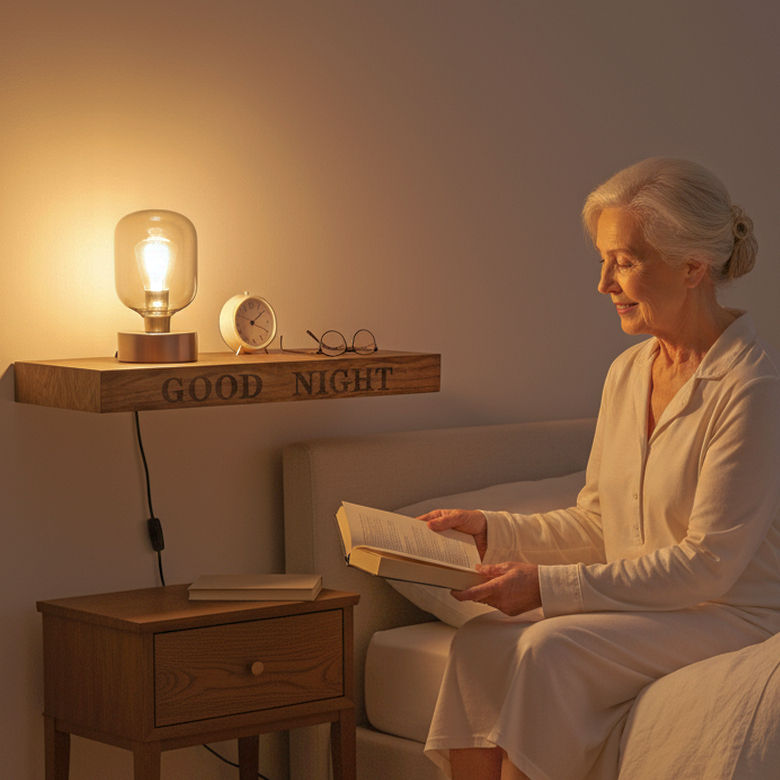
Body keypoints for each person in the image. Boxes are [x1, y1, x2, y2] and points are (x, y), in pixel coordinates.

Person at [420, 157, 780, 780]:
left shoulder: (753, 388)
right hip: (648, 605)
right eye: (603, 261)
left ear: (694, 267)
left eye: (626, 262)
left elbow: (709, 565)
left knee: (548, 649)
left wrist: (547, 588)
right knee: (479, 644)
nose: (604, 283)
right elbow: (599, 522)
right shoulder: (628, 372)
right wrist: (493, 530)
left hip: (726, 613)